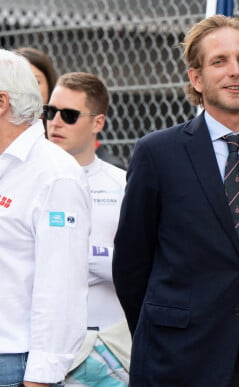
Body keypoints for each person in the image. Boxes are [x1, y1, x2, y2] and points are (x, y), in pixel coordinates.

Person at [112, 15, 239, 386]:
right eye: (220, 61)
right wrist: (162, 328)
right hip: (175, 359)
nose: (235, 71)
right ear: (196, 78)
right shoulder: (157, 153)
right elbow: (131, 264)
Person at [0, 49, 91, 386]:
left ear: (1, 102)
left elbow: (61, 291)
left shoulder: (55, 175)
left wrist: (39, 379)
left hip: (14, 366)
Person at [46, 72, 131, 386]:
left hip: (109, 351)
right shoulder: (23, 179)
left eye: (68, 115)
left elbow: (138, 266)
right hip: (42, 348)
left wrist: (88, 258)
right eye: (50, 112)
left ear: (98, 123)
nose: (55, 122)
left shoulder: (121, 184)